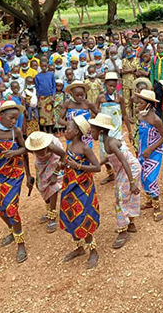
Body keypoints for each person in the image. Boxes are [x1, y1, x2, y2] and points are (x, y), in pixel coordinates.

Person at [0, 101, 31, 264]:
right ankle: (12, 230)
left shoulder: (15, 132)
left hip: (15, 173)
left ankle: (21, 244)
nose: (13, 122)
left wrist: (15, 152)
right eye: (11, 118)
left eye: (16, 119)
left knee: (10, 207)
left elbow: (25, 150)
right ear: (1, 115)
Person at [89, 113, 141, 249]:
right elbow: (110, 158)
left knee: (121, 198)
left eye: (92, 130)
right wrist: (98, 165)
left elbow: (124, 161)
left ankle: (123, 231)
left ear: (100, 132)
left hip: (130, 169)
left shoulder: (110, 143)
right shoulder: (106, 141)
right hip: (124, 170)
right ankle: (130, 223)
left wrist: (131, 182)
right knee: (121, 195)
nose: (90, 132)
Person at [59, 115, 101, 270]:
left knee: (83, 216)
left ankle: (93, 250)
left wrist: (78, 166)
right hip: (68, 186)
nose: (65, 130)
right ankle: (79, 247)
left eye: (67, 128)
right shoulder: (69, 146)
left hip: (83, 188)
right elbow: (67, 163)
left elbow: (97, 167)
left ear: (76, 132)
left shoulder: (84, 148)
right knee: (70, 214)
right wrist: (61, 165)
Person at [135, 89, 163, 222]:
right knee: (143, 177)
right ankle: (149, 201)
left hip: (154, 152)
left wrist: (151, 149)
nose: (138, 105)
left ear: (148, 104)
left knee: (151, 178)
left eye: (141, 103)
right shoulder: (141, 116)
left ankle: (157, 207)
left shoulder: (155, 119)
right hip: (143, 151)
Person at [25, 131, 65, 234]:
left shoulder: (51, 146)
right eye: (38, 151)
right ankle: (49, 209)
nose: (42, 151)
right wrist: (28, 175)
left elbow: (63, 156)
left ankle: (52, 216)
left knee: (53, 187)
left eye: (43, 149)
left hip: (55, 161)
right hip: (41, 164)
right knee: (40, 186)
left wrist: (55, 174)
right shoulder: (29, 147)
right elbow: (23, 155)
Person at [35, 56, 56, 133]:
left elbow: (54, 86)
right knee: (43, 115)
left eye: (45, 66)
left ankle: (50, 130)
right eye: (42, 66)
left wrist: (53, 96)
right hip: (42, 98)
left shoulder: (51, 75)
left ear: (47, 65)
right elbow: (37, 88)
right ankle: (44, 130)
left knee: (50, 115)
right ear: (40, 66)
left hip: (50, 97)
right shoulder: (37, 76)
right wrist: (38, 100)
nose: (44, 68)